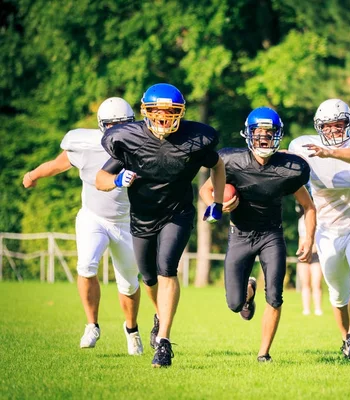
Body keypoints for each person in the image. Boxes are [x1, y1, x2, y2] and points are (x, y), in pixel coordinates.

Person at [95, 83, 226, 368]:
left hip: (177, 214)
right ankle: (159, 315)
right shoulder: (128, 139)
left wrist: (215, 199)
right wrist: (117, 181)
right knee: (148, 277)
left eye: (171, 112)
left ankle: (164, 341)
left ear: (180, 113)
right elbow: (100, 179)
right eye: (158, 112)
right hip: (142, 218)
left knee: (167, 267)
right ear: (146, 112)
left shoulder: (194, 139)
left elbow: (218, 165)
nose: (164, 118)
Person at [23, 97, 143, 355]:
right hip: (93, 217)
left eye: (124, 125)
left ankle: (131, 330)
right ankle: (92, 325)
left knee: (129, 285)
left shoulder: (142, 146)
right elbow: (57, 165)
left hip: (126, 224)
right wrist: (32, 175)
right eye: (113, 126)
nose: (119, 132)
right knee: (87, 266)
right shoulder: (84, 145)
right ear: (102, 126)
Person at [199, 107, 315, 362]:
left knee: (274, 295)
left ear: (277, 135)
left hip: (271, 235)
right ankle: (248, 291)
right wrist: (217, 206)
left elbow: (308, 206)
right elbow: (206, 191)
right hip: (240, 234)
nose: (263, 138)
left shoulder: (289, 168)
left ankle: (264, 353)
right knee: (234, 304)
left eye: (269, 133)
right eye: (258, 133)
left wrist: (308, 238)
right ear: (249, 135)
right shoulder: (231, 161)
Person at [289, 98, 350, 360]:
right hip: (327, 230)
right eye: (328, 126)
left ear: (349, 124)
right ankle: (346, 340)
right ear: (319, 127)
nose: (333, 130)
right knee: (337, 292)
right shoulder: (303, 146)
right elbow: (285, 171)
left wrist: (330, 152)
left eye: (339, 124)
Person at [296, 199, 323, 316]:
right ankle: (306, 309)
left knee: (316, 283)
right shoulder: (301, 220)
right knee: (305, 284)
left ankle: (318, 308)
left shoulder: (319, 220)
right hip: (302, 255)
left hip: (316, 254)